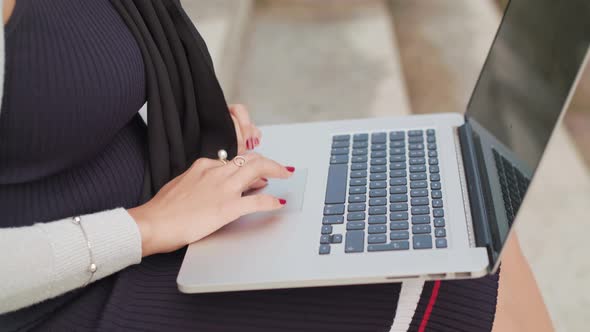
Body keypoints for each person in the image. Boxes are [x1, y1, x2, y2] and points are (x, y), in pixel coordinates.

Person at [0, 0, 553, 331]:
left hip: (151, 216)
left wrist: (199, 134)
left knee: (471, 212)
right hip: (65, 297)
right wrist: (146, 227)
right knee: (466, 284)